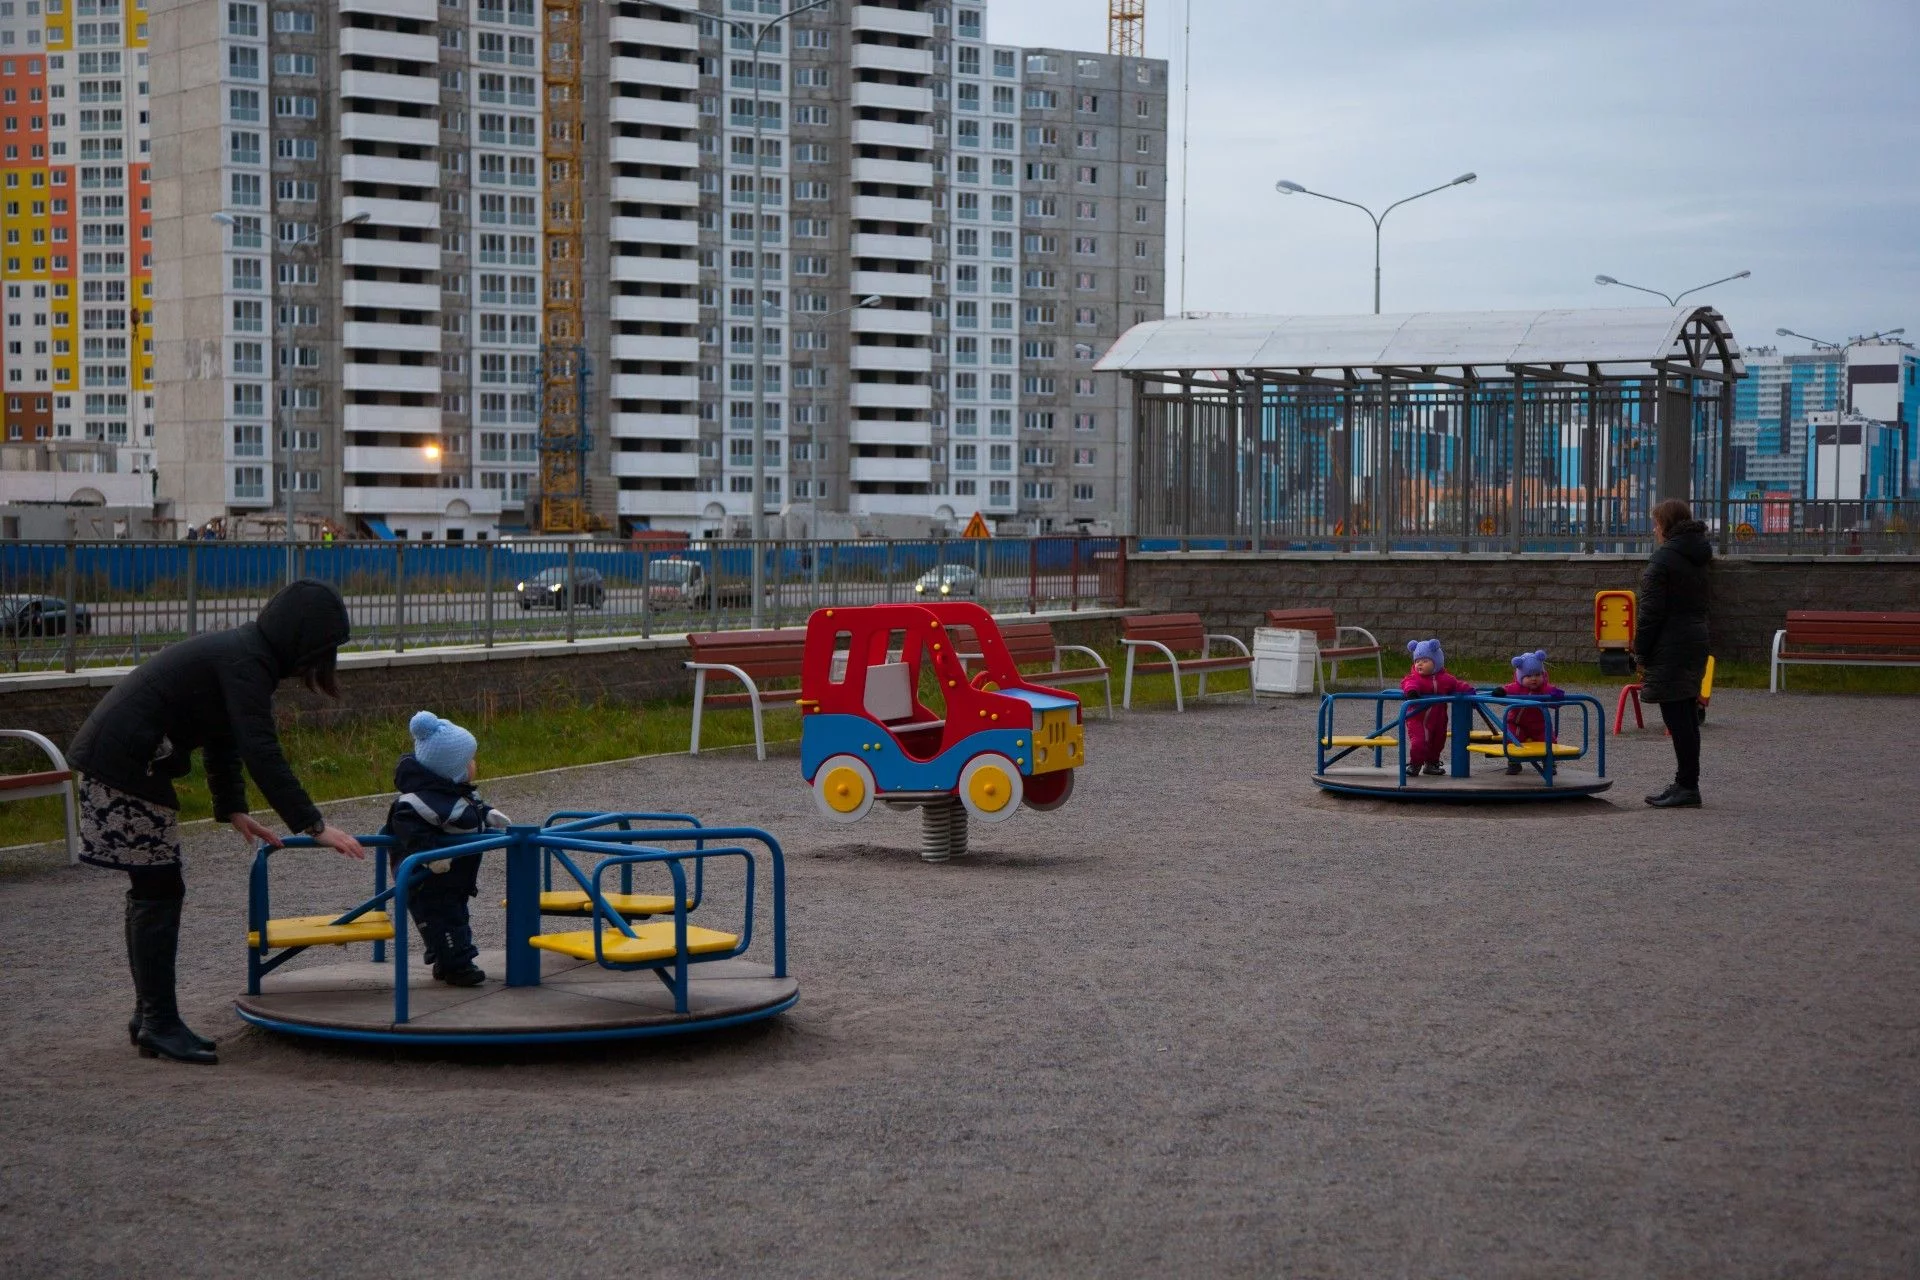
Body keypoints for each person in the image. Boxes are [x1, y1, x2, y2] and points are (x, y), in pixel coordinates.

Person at [67, 579, 365, 1066]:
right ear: (299, 639)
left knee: (155, 887)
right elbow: (260, 749)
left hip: (127, 758)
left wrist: (232, 807)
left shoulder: (246, 655)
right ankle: (158, 1021)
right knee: (158, 889)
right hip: (125, 763)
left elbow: (223, 736)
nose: (316, 666)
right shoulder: (246, 661)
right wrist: (313, 825)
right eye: (319, 652)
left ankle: (150, 1018)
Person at [382, 711, 511, 987]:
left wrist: (488, 815)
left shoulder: (454, 792)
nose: (474, 765)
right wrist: (430, 854)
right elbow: (406, 827)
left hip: (452, 878)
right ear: (452, 770)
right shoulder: (417, 802)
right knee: (443, 922)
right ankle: (457, 966)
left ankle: (445, 962)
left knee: (457, 916)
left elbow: (471, 809)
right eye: (468, 761)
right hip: (427, 880)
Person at [1635, 498, 1713, 808]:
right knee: (1686, 716)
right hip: (1694, 638)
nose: (1654, 530)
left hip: (1671, 642)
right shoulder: (1697, 555)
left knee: (1676, 716)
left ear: (1666, 525)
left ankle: (1687, 786)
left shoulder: (1664, 559)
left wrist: (1641, 651)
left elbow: (1650, 612)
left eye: (1656, 523)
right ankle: (1685, 782)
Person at [1400, 639, 1477, 776]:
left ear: (1436, 662)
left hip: (1439, 719)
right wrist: (1412, 692)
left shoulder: (1445, 679)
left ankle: (1431, 763)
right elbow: (1408, 683)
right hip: (1417, 717)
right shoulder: (1415, 678)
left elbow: (1458, 685)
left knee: (1437, 742)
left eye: (1425, 661)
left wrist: (1471, 694)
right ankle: (1415, 764)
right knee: (1419, 742)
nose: (1419, 664)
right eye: (1417, 661)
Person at [1498, 649, 1567, 775]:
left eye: (1537, 675)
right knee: (1512, 737)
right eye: (1529, 676)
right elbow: (1505, 691)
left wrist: (1557, 696)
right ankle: (1514, 762)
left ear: (1543, 675)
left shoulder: (1544, 688)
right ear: (1520, 677)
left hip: (1540, 725)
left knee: (1548, 740)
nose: (1533, 679)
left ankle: (1549, 763)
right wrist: (1500, 692)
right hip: (1517, 723)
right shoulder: (1516, 687)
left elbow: (1556, 701)